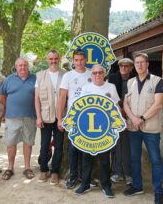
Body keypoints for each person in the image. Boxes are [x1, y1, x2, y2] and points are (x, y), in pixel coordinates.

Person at [122, 53, 163, 204]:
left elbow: (158, 104)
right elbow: (125, 103)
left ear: (147, 64)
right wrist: (133, 118)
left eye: (142, 62)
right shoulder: (130, 82)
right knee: (135, 159)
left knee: (156, 160)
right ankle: (137, 186)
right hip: (134, 127)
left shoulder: (157, 81)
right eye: (137, 63)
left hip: (151, 128)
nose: (139, 65)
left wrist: (142, 118)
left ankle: (158, 191)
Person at [74, 64, 120, 198]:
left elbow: (116, 106)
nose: (97, 75)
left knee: (105, 159)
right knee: (86, 158)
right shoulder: (86, 88)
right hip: (88, 130)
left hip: (105, 130)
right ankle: (85, 184)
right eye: (94, 73)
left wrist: (118, 123)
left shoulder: (111, 87)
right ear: (91, 75)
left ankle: (106, 185)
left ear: (104, 74)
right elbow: (80, 108)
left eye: (100, 72)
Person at [57, 49, 92, 189]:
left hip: (89, 118)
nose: (79, 62)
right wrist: (60, 118)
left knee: (87, 149)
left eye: (81, 59)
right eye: (76, 60)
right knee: (72, 149)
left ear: (85, 60)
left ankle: (86, 178)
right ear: (73, 61)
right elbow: (62, 98)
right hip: (73, 118)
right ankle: (73, 177)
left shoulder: (92, 74)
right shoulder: (68, 76)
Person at [0, 58, 37, 180]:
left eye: (25, 65)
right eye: (20, 65)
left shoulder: (35, 78)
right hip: (12, 117)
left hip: (30, 116)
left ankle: (27, 167)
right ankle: (10, 168)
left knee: (28, 142)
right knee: (11, 142)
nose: (22, 67)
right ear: (16, 67)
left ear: (28, 66)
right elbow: (2, 97)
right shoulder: (9, 79)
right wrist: (10, 107)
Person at [35, 50, 66, 185]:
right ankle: (43, 169)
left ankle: (55, 172)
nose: (53, 61)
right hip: (46, 117)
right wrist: (38, 117)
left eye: (55, 59)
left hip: (61, 117)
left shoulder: (65, 75)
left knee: (59, 146)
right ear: (47, 60)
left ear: (58, 59)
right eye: (51, 59)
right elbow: (36, 98)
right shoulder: (40, 76)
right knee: (44, 144)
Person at [108, 58, 134, 185]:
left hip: (131, 115)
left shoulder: (135, 79)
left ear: (131, 67)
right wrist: (120, 110)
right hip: (115, 115)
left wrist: (128, 111)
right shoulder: (112, 78)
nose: (124, 68)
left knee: (128, 145)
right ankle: (116, 172)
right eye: (121, 66)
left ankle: (128, 173)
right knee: (116, 145)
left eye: (127, 66)